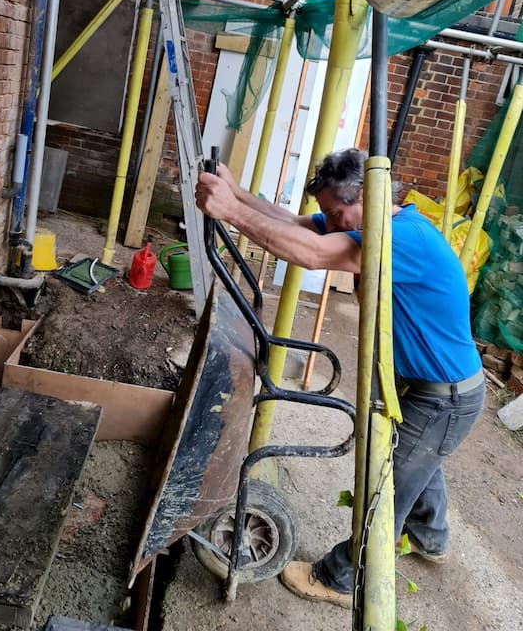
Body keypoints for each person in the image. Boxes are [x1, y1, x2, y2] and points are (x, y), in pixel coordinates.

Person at [195, 147, 485, 609]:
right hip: (435, 390)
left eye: (335, 213)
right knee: (416, 457)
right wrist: (236, 195)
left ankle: (339, 578)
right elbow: (295, 224)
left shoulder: (399, 238)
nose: (329, 222)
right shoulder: (362, 222)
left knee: (385, 482)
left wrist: (228, 210)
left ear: (365, 196)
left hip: (445, 396)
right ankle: (430, 538)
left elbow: (311, 253)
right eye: (327, 213)